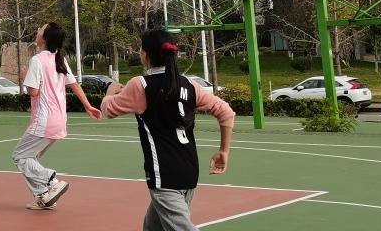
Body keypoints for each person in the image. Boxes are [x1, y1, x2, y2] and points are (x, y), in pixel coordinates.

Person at [101, 29, 235, 231]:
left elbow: (108, 110)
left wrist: (110, 92)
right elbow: (226, 112)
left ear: (145, 55)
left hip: (164, 174)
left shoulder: (141, 85)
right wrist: (224, 151)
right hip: (189, 170)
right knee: (153, 227)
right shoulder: (189, 85)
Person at [13, 22, 101, 210]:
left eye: (40, 29)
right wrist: (88, 106)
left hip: (44, 121)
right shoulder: (60, 59)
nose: (37, 31)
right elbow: (74, 85)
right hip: (59, 120)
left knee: (20, 157)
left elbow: (33, 92)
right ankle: (43, 196)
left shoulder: (37, 60)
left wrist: (24, 77)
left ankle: (51, 180)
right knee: (30, 158)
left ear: (44, 38)